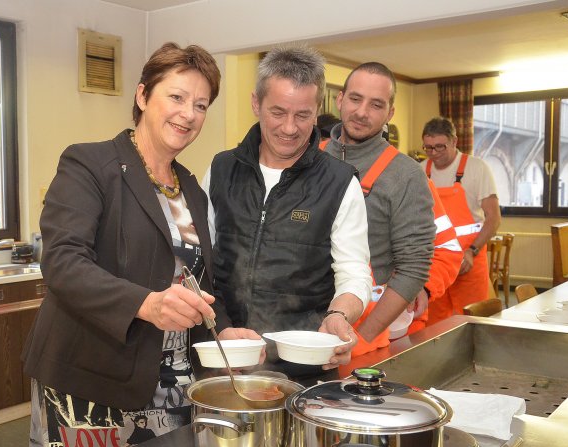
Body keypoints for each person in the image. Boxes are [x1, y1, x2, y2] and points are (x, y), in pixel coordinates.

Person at [21, 42, 258, 447]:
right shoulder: (90, 164)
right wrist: (146, 304)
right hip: (92, 381)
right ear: (143, 95)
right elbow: (63, 263)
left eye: (201, 105)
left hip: (172, 385)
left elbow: (197, 282)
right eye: (177, 97)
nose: (188, 114)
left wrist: (221, 329)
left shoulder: (191, 189)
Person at [203, 45, 372, 385]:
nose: (290, 128)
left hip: (304, 369)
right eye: (278, 112)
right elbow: (201, 262)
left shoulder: (340, 182)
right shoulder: (221, 169)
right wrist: (217, 325)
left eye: (303, 115)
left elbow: (354, 272)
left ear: (317, 111)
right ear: (256, 103)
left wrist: (340, 314)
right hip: (226, 358)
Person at [321, 62, 436, 363]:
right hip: (306, 327)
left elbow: (414, 268)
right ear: (340, 99)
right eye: (355, 99)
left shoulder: (405, 175)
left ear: (390, 113)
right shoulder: (309, 158)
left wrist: (363, 336)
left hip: (362, 336)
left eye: (376, 105)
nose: (362, 112)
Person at [421, 116, 501, 322]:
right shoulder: (420, 171)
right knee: (434, 323)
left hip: (470, 259)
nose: (434, 153)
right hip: (435, 263)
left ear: (454, 141)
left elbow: (493, 218)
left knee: (472, 320)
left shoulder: (476, 168)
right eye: (428, 148)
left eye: (440, 146)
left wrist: (471, 251)